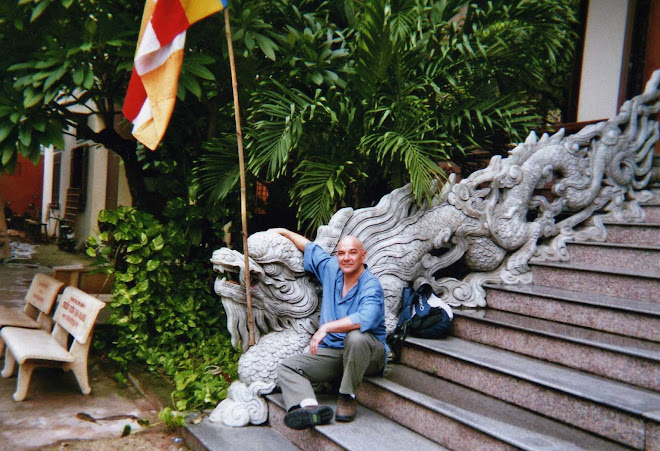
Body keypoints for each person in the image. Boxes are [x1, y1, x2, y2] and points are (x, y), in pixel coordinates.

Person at [271, 228, 389, 430]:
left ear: (363, 256)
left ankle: (347, 395)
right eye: (341, 253)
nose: (346, 258)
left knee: (356, 337)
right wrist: (283, 232)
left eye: (352, 252)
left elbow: (365, 318)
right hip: (336, 354)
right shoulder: (332, 269)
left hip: (369, 356)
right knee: (289, 366)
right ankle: (309, 407)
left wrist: (326, 327)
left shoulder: (371, 285)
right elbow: (309, 248)